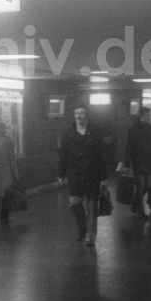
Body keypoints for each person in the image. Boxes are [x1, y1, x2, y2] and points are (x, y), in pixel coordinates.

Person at [57, 104, 108, 246]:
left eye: (82, 113)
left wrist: (104, 177)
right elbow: (63, 155)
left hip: (92, 174)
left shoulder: (96, 133)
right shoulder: (69, 133)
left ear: (87, 115)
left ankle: (90, 236)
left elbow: (101, 156)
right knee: (74, 203)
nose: (79, 116)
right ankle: (83, 227)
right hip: (75, 174)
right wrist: (61, 173)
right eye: (76, 113)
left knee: (92, 206)